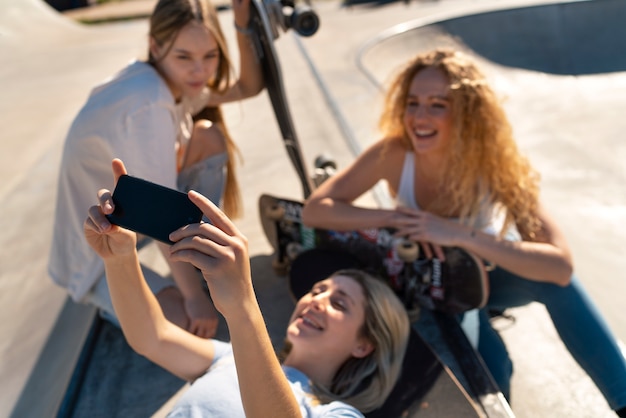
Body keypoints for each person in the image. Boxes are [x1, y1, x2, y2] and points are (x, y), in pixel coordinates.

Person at [301, 48, 626, 415]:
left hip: (491, 275)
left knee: (558, 285)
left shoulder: (496, 164)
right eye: (413, 103)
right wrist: (395, 219)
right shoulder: (395, 153)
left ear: (467, 113)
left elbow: (561, 265)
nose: (419, 117)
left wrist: (454, 233)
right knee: (495, 369)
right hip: (436, 285)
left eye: (438, 104)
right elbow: (316, 210)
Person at [82, 158, 410, 417]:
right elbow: (152, 337)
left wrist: (242, 306)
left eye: (340, 303)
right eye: (317, 290)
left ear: (364, 345)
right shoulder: (231, 357)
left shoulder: (337, 413)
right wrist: (120, 259)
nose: (317, 300)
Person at [48, 0, 264, 338]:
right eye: (184, 56)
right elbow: (163, 216)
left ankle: (196, 258)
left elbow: (248, 87)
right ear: (155, 46)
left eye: (210, 56)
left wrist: (241, 22)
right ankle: (113, 302)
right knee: (188, 328)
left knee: (208, 136)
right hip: (94, 251)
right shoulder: (148, 102)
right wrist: (194, 298)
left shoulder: (167, 82)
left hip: (130, 221)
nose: (200, 71)